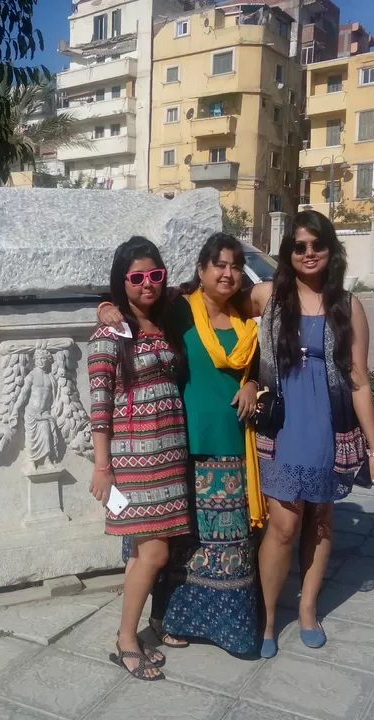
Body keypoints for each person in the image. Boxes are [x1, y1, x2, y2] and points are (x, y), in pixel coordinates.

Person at [99, 233, 262, 657]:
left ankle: (209, 627)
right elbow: (101, 402)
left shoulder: (240, 314)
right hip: (163, 452)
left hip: (210, 446)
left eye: (235, 266)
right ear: (200, 270)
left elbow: (276, 304)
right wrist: (105, 307)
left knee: (214, 547)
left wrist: (254, 383)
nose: (228, 273)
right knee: (167, 550)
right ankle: (144, 630)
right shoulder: (173, 310)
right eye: (219, 265)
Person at [248, 210, 374, 658]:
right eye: (299, 246)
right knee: (284, 525)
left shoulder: (348, 306)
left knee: (321, 519)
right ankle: (269, 617)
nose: (309, 253)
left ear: (331, 250)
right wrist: (109, 305)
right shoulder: (266, 296)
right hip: (281, 427)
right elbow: (212, 307)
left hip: (328, 427)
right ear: (288, 252)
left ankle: (308, 608)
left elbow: (359, 381)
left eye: (317, 245)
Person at [87, 237, 191, 681]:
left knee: (141, 553)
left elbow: (201, 286)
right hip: (136, 460)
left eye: (155, 275)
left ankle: (131, 631)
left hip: (170, 453)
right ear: (122, 281)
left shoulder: (164, 319)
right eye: (136, 277)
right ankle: (127, 640)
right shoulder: (109, 335)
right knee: (155, 552)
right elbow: (99, 408)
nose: (147, 283)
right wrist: (102, 467)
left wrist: (105, 302)